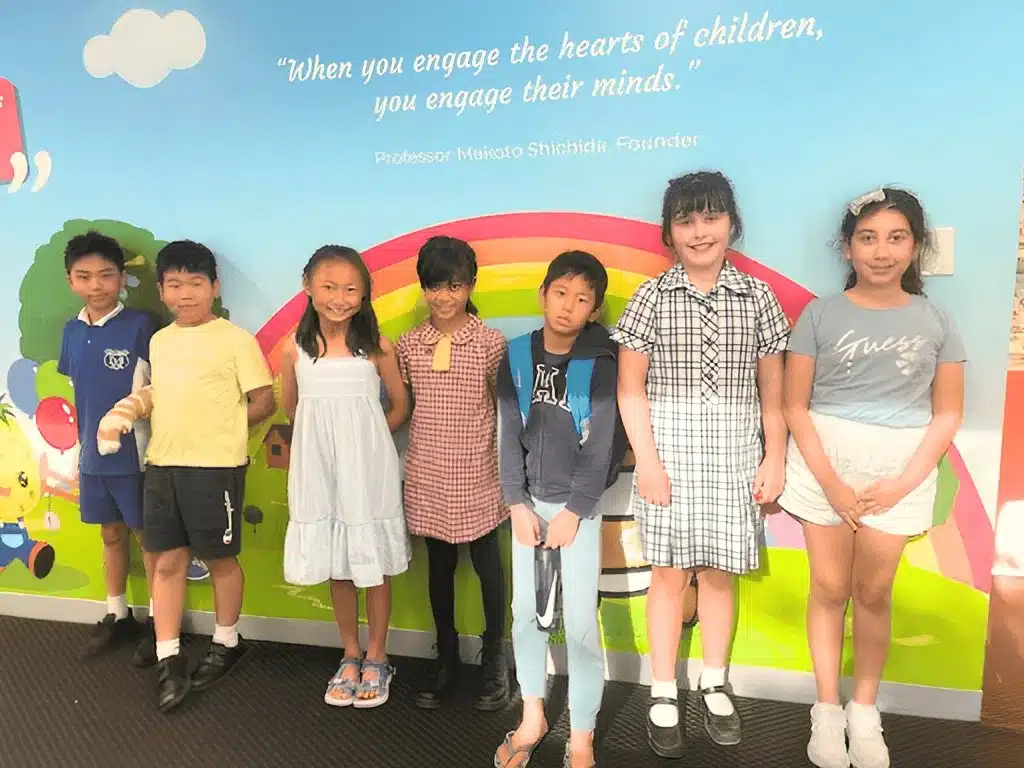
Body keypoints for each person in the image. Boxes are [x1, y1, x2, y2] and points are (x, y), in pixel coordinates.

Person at [778, 187, 965, 768]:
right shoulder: (819, 313)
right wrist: (831, 483)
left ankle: (865, 712)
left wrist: (903, 482)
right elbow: (793, 406)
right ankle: (827, 710)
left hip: (900, 470)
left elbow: (948, 414)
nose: (881, 251)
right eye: (868, 237)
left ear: (915, 246)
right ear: (848, 246)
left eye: (896, 237)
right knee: (829, 588)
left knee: (873, 592)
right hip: (822, 464)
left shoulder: (935, 319)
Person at [612, 171, 791, 757]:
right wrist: (649, 463)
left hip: (736, 463)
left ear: (731, 225)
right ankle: (664, 690)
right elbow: (630, 391)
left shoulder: (757, 297)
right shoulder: (650, 297)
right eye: (685, 220)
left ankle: (714, 681)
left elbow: (774, 392)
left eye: (710, 218)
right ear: (668, 231)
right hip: (668, 465)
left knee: (717, 576)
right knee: (666, 578)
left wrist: (775, 457)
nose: (699, 231)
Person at [97, 240, 276, 713]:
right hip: (161, 466)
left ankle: (227, 641)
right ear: (161, 291)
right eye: (174, 285)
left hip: (215, 470)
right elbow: (161, 393)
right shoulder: (161, 341)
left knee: (220, 559)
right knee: (166, 561)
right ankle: (168, 655)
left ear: (214, 288)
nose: (186, 294)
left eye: (196, 283)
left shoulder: (236, 339)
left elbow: (264, 399)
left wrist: (226, 435)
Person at [494, 250, 627, 768]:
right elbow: (508, 433)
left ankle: (583, 735)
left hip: (579, 510)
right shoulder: (516, 355)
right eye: (560, 294)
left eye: (582, 299)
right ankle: (533, 715)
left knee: (580, 624)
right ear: (542, 295)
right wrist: (516, 502)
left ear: (594, 310)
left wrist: (576, 508)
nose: (568, 307)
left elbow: (601, 442)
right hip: (527, 508)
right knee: (526, 617)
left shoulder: (601, 360)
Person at [281, 245, 411, 709]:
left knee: (370, 561)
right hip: (319, 470)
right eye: (329, 286)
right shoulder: (294, 349)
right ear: (308, 287)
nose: (340, 297)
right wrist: (322, 444)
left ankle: (378, 655)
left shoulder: (377, 348)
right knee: (339, 563)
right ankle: (350, 654)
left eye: (351, 288)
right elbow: (292, 407)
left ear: (365, 293)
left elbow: (399, 405)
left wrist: (369, 440)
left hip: (368, 472)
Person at [396, 236, 509, 711]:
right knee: (438, 569)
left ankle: (495, 658)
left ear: (470, 285)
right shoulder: (409, 345)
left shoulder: (490, 343)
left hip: (479, 471)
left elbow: (504, 411)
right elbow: (404, 406)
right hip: (428, 471)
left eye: (454, 285)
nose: (443, 296)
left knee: (488, 567)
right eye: (434, 287)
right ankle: (444, 655)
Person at [57, 230, 157, 666]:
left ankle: (159, 622)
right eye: (85, 276)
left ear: (120, 279)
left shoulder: (140, 326)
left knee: (147, 537)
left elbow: (156, 390)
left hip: (133, 455)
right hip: (91, 456)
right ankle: (117, 614)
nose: (96, 285)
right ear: (70, 281)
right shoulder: (71, 331)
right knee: (109, 533)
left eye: (106, 275)